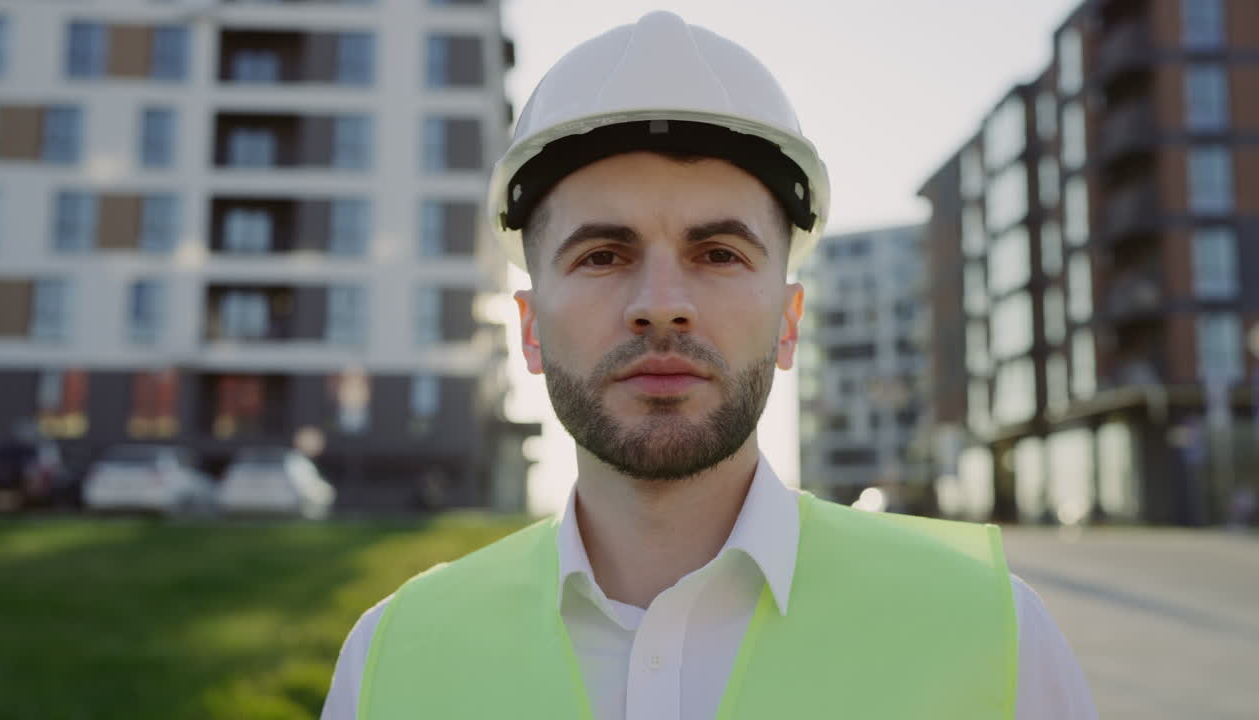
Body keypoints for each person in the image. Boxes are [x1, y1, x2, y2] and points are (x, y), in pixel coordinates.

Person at [322, 11, 1097, 719]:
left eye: (719, 253)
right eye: (602, 254)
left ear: (790, 323)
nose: (662, 305)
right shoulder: (391, 663)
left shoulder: (995, 637)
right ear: (528, 329)